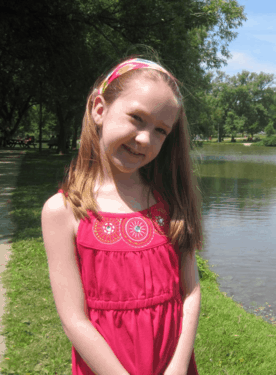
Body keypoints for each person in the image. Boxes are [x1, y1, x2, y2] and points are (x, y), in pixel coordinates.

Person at [41, 56, 203, 375]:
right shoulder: (63, 211)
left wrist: (178, 366)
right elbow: (74, 319)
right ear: (99, 109)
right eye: (136, 118)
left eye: (160, 130)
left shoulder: (168, 201)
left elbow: (191, 291)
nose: (145, 138)